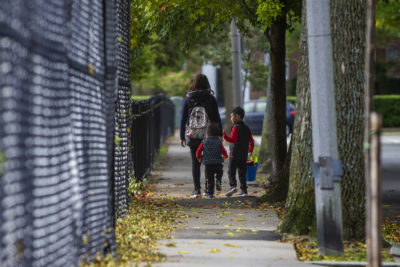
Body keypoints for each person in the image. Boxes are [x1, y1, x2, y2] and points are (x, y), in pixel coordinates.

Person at [180, 74, 222, 198]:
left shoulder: (188, 98)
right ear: (206, 84)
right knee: (208, 163)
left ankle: (196, 190)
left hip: (193, 135)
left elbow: (183, 118)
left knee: (195, 162)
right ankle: (208, 190)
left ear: (194, 84)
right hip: (208, 136)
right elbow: (216, 118)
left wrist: (182, 136)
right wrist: (219, 134)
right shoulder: (211, 98)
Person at [223, 106, 255, 197]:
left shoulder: (235, 128)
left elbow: (233, 140)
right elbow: (251, 141)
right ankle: (244, 190)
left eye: (231, 116)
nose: (231, 118)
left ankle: (233, 186)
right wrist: (250, 150)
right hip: (243, 155)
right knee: (242, 173)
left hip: (234, 155)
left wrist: (224, 135)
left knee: (231, 171)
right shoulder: (247, 128)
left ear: (237, 116)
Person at [196, 123, 228, 198]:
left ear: (207, 133)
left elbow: (198, 151)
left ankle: (210, 194)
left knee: (209, 179)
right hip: (218, 163)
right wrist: (224, 157)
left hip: (208, 164)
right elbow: (224, 152)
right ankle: (218, 180)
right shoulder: (219, 142)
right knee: (220, 172)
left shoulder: (204, 142)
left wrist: (199, 158)